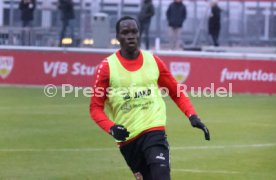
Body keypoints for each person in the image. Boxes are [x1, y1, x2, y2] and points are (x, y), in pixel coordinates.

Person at [90, 16, 210, 180]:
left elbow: (176, 91)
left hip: (154, 131)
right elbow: (95, 108)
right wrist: (111, 128)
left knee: (161, 176)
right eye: (125, 32)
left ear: (139, 34)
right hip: (128, 140)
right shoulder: (107, 67)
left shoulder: (153, 61)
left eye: (134, 31)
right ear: (117, 37)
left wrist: (192, 115)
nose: (130, 36)